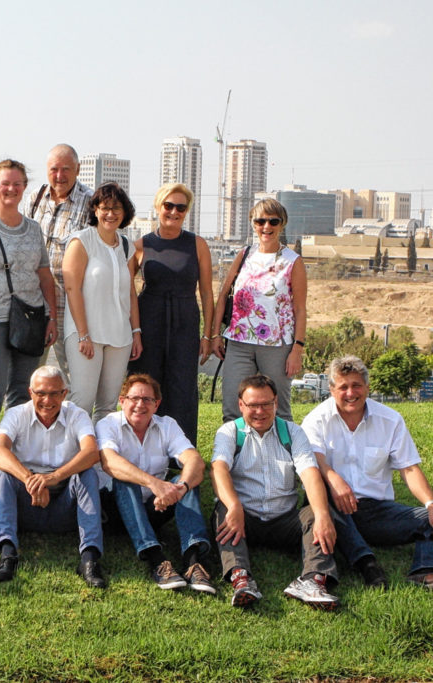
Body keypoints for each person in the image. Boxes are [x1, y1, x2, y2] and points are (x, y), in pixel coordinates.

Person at [302, 355, 433, 593]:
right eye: (343, 387)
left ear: (367, 387)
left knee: (432, 519)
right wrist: (334, 479)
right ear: (332, 390)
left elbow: (409, 468)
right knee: (321, 497)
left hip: (376, 512)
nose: (350, 393)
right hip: (334, 509)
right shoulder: (316, 419)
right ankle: (368, 563)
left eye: (356, 385)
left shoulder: (390, 420)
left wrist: (432, 503)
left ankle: (427, 572)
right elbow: (314, 460)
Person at [210, 374, 340, 610]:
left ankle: (313, 580)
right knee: (223, 509)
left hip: (285, 520)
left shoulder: (293, 432)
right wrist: (235, 506)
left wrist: (323, 517)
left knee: (315, 513)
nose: (260, 411)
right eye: (252, 405)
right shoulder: (229, 431)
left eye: (266, 404)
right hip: (244, 519)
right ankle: (241, 579)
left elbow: (310, 474)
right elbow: (218, 468)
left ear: (276, 403)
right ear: (241, 405)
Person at [96, 374, 215, 593]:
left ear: (156, 404)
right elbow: (109, 462)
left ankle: (193, 561)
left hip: (155, 507)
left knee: (186, 478)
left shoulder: (167, 425)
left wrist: (180, 489)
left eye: (147, 400)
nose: (140, 404)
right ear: (122, 401)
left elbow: (195, 461)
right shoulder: (107, 424)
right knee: (125, 479)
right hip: (113, 511)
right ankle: (156, 558)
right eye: (134, 398)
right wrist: (154, 484)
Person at [0, 366, 105, 588]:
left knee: (87, 474)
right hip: (26, 499)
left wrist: (53, 477)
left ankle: (89, 559)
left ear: (65, 393)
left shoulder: (77, 415)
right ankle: (7, 555)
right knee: (4, 475)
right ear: (30, 392)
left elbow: (91, 452)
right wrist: (29, 478)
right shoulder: (16, 413)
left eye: (54, 393)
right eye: (41, 393)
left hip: (65, 502)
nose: (47, 400)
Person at [0, 159, 57, 425]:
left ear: (25, 187)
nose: (11, 189)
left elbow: (44, 276)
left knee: (23, 394)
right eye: (5, 184)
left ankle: (11, 453)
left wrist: (51, 317)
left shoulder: (33, 229)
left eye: (17, 184)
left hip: (29, 319)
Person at [129, 183, 214, 445]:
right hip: (149, 318)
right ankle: (141, 445)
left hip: (185, 320)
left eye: (181, 207)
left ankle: (180, 451)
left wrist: (208, 335)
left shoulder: (197, 244)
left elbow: (208, 293)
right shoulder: (141, 245)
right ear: (158, 207)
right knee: (146, 383)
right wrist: (135, 331)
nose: (174, 212)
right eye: (169, 205)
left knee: (182, 386)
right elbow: (127, 290)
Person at [211, 198, 307, 423]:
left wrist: (297, 349)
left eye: (273, 221)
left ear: (282, 224)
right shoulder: (245, 255)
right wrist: (215, 335)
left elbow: (300, 309)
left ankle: (283, 455)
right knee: (234, 408)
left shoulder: (293, 262)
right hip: (239, 342)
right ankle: (234, 456)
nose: (267, 227)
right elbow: (224, 295)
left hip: (276, 346)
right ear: (253, 224)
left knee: (278, 409)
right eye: (261, 221)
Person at [62, 183, 142, 421]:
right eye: (105, 207)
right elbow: (71, 288)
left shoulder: (126, 245)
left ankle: (100, 457)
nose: (111, 213)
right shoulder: (81, 241)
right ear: (95, 210)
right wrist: (83, 334)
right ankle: (72, 454)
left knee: (108, 407)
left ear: (125, 212)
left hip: (120, 336)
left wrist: (136, 331)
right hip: (86, 335)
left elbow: (130, 292)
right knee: (82, 401)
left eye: (117, 208)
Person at [24, 144, 94, 376]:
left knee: (73, 376)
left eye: (66, 169)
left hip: (72, 307)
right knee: (30, 375)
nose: (59, 176)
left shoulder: (91, 202)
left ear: (78, 169)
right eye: (54, 169)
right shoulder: (35, 199)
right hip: (34, 305)